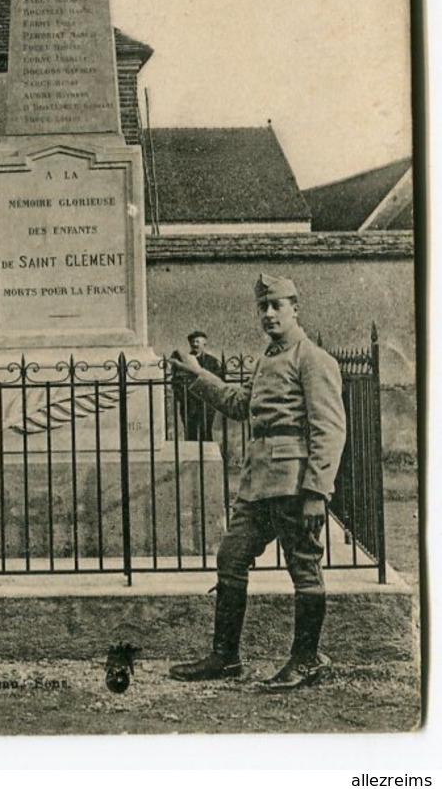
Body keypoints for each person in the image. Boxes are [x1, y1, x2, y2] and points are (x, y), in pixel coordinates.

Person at [168, 274, 346, 692]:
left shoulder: (313, 359)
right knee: (231, 557)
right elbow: (239, 405)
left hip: (294, 485)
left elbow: (329, 430)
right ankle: (225, 657)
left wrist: (317, 493)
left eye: (277, 306)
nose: (268, 314)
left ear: (295, 309)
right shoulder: (268, 359)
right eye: (263, 308)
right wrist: (197, 374)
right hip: (257, 484)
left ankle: (305, 660)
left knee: (302, 566)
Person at [171, 330, 221, 441]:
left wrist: (212, 397)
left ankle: (207, 456)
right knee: (190, 433)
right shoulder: (184, 362)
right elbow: (176, 383)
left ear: (205, 343)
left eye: (198, 342)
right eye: (192, 342)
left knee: (207, 433)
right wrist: (183, 398)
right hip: (189, 403)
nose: (195, 344)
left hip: (207, 403)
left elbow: (219, 381)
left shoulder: (212, 362)